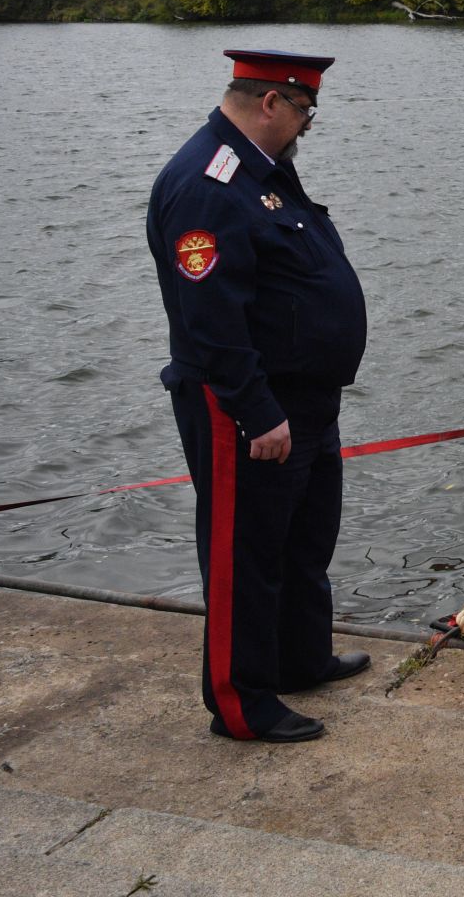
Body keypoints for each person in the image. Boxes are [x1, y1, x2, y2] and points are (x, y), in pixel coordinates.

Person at [146, 49, 370, 745]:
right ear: (270, 103)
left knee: (305, 539)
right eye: (305, 110)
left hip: (305, 398)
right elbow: (210, 319)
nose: (308, 124)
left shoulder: (259, 171)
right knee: (246, 553)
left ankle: (298, 658)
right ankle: (241, 701)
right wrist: (256, 409)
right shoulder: (208, 184)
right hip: (249, 406)